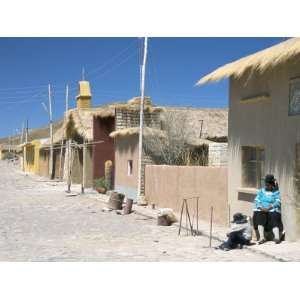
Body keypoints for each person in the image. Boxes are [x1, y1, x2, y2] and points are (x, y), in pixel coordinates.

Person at [253, 174, 283, 244]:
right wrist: (261, 207)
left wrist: (270, 207)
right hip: (262, 209)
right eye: (266, 184)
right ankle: (262, 237)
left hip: (271, 209)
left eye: (268, 185)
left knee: (274, 217)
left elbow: (278, 202)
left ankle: (277, 237)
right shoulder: (261, 191)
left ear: (272, 185)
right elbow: (257, 200)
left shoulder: (276, 192)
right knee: (260, 216)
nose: (267, 186)